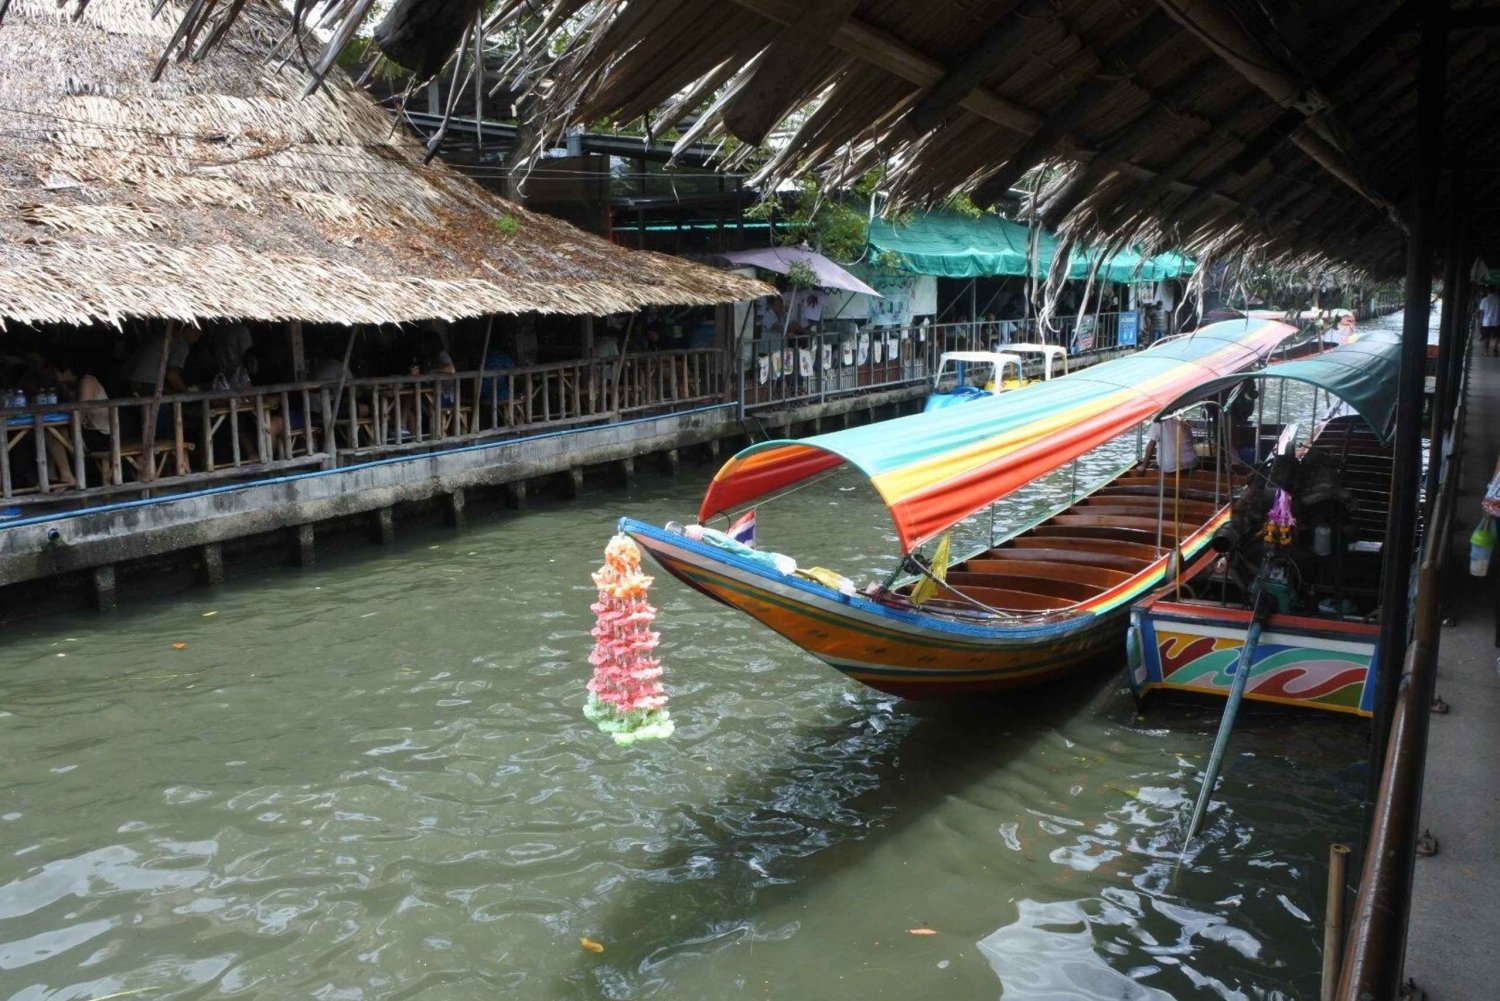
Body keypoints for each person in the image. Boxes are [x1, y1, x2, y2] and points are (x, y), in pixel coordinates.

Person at [1478, 287, 1500, 356]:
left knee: (1486, 337)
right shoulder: (1499, 299)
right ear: (1495, 291)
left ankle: (1485, 352)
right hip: (1497, 321)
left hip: (1486, 321)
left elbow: (1482, 312)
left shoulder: (1484, 300)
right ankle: (1495, 347)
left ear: (1487, 291)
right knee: (1497, 335)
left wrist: (1480, 321)